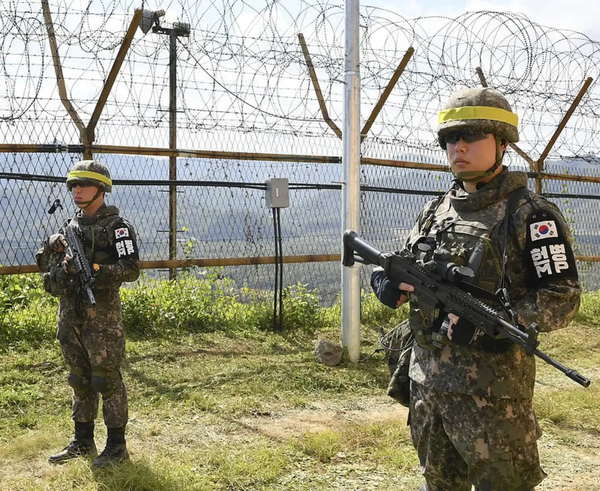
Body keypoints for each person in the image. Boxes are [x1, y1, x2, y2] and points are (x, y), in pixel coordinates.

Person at [371, 87, 581, 490]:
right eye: (451, 139)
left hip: (493, 397)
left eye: (471, 137)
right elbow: (404, 259)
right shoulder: (439, 208)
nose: (459, 147)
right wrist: (383, 279)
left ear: (502, 143)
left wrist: (495, 323)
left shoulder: (530, 214)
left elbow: (562, 298)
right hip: (428, 385)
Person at [36, 159, 140, 467]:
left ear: (101, 189)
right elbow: (44, 263)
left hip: (102, 316)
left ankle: (117, 447)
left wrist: (96, 269)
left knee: (105, 381)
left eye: (85, 185)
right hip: (70, 314)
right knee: (78, 379)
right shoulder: (69, 226)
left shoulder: (117, 228)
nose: (77, 190)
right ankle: (82, 441)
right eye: (73, 186)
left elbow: (131, 269)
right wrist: (52, 243)